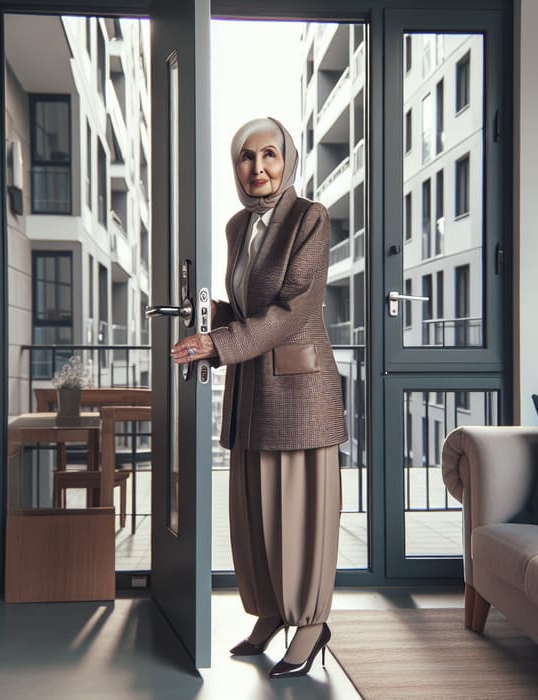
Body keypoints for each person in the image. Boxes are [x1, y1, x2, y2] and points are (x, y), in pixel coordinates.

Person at [171, 117, 347, 679]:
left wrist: (216, 343)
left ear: (287, 159)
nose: (258, 167)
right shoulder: (235, 227)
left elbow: (294, 307)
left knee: (299, 514)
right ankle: (271, 611)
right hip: (251, 387)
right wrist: (207, 320)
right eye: (246, 157)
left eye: (269, 154)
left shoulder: (309, 218)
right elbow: (247, 309)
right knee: (253, 511)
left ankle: (312, 624)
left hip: (299, 389)